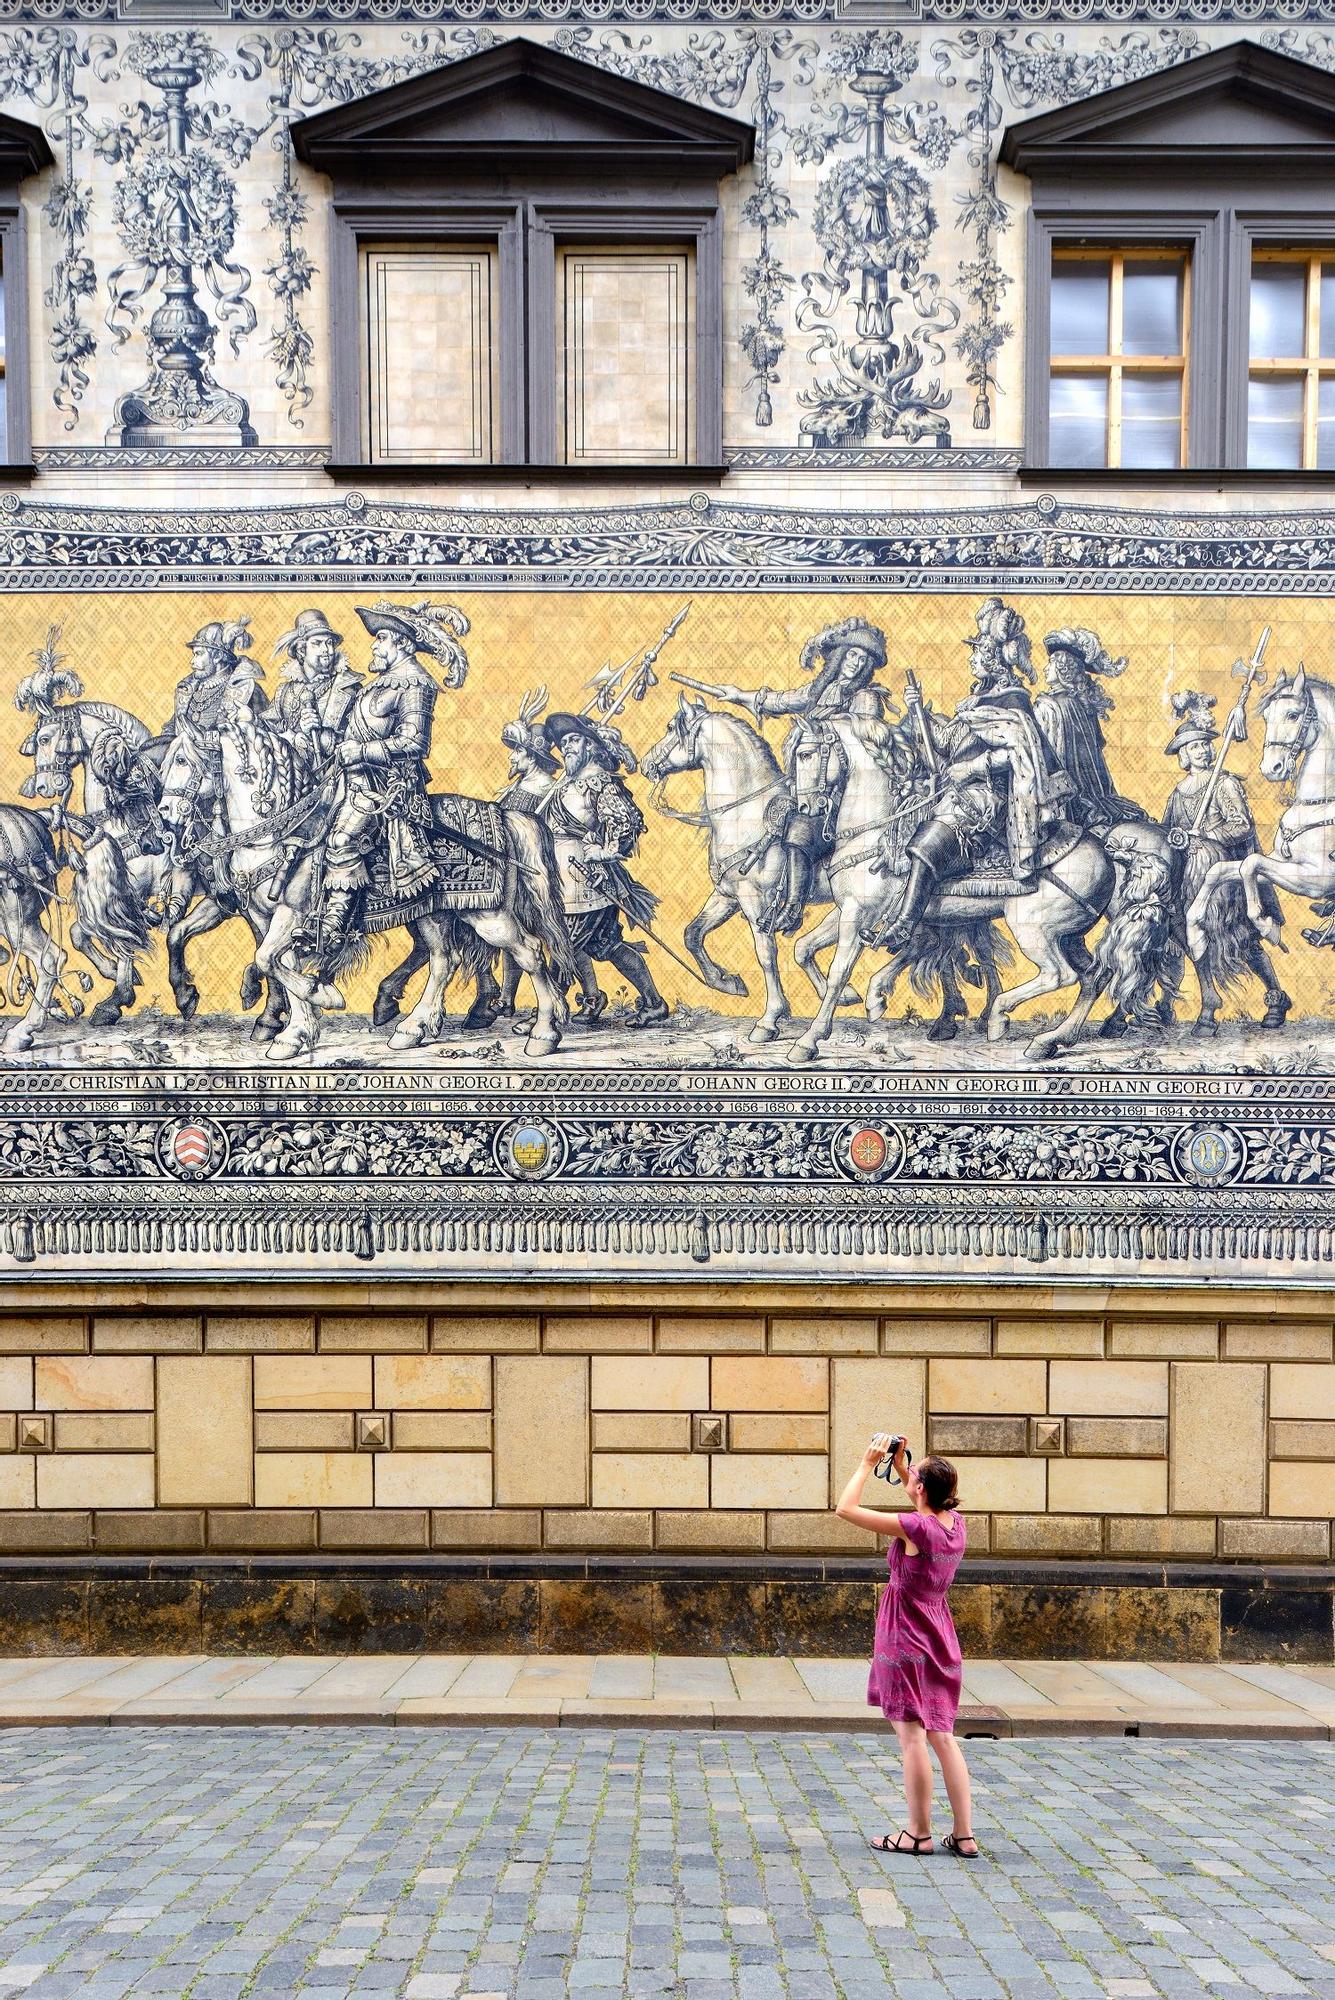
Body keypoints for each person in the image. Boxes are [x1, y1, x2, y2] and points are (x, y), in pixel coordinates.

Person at [873, 599, 1072, 953]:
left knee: (927, 843)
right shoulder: (975, 702)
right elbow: (946, 745)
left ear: (992, 660)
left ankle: (904, 925)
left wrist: (971, 768)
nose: (971, 659)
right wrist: (916, 709)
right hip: (957, 792)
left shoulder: (1011, 701)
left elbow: (1019, 755)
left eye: (977, 652)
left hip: (986, 797)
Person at [689, 616, 892, 932]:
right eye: (852, 654)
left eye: (863, 659)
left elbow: (863, 741)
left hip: (846, 794)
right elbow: (781, 700)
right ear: (840, 656)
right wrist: (738, 695)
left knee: (800, 829)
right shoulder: (820, 690)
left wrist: (825, 732)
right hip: (808, 782)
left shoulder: (865, 698)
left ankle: (794, 908)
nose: (856, 663)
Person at [834, 1433, 979, 1859]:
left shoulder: (914, 1527)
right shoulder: (955, 1525)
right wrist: (903, 1470)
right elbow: (925, 1503)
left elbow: (845, 1508)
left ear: (921, 1488)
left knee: (912, 1737)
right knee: (943, 1736)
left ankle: (918, 1834)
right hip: (940, 1635)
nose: (910, 1473)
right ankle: (964, 1835)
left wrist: (867, 1463)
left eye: (916, 1473)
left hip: (906, 1636)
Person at [319, 599, 468, 956]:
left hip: (390, 788)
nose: (374, 645)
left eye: (381, 638)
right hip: (349, 781)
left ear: (402, 643)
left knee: (341, 839)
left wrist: (361, 752)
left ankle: (335, 924)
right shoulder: (380, 683)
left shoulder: (416, 684)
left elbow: (415, 743)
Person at [540, 711, 668, 1025]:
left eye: (574, 740)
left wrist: (606, 851)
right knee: (608, 946)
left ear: (590, 744)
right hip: (562, 882)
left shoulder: (600, 782)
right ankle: (653, 1003)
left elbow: (627, 821)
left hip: (587, 883)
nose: (567, 748)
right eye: (563, 743)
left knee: (564, 944)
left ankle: (548, 1016)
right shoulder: (567, 784)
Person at [1034, 627, 1145, 834]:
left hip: (1066, 798)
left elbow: (1042, 756)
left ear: (1064, 668)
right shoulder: (1081, 703)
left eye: (1051, 663)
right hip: (1094, 792)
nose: (1045, 668)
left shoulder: (1049, 705)